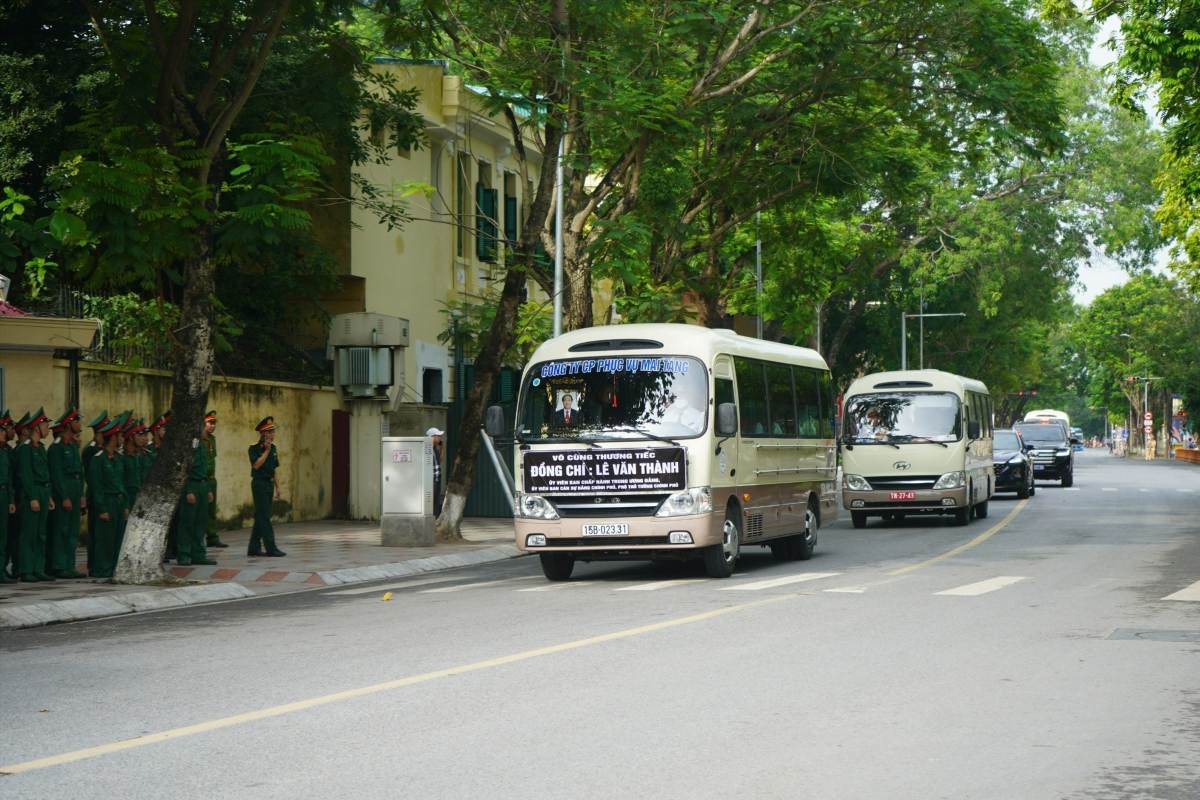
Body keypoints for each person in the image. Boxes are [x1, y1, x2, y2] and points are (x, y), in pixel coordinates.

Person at [16, 408, 56, 582]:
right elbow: (26, 475)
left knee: (41, 533)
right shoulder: (25, 449)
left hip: (43, 491)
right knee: (29, 533)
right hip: (32, 493)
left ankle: (38, 568)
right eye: (46, 425)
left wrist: (48, 497)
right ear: (37, 427)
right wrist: (32, 497)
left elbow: (45, 473)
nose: (48, 429)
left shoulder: (40, 448)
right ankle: (26, 569)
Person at [47, 408, 86, 579]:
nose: (79, 425)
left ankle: (69, 565)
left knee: (72, 530)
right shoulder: (56, 448)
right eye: (77, 421)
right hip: (65, 488)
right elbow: (56, 475)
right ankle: (59, 565)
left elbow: (80, 470)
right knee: (62, 529)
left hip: (76, 487)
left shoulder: (72, 446)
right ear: (69, 424)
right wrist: (64, 496)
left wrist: (82, 495)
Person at [87, 418, 126, 578]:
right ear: (114, 437)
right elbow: (96, 486)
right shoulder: (98, 458)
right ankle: (101, 569)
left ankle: (113, 568)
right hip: (106, 502)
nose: (122, 439)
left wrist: (125, 505)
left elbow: (121, 483)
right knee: (105, 539)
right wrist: (101, 508)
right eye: (120, 436)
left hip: (118, 501)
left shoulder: (117, 458)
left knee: (117, 538)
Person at [177, 413, 216, 567]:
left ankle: (198, 554)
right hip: (192, 484)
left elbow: (204, 468)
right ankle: (184, 554)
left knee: (201, 522)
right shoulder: (189, 444)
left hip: (202, 484)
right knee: (187, 522)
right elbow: (184, 469)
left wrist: (208, 489)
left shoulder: (202, 444)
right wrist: (188, 490)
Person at [248, 417, 285, 557]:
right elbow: (256, 465)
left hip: (269, 483)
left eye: (273, 431)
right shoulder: (253, 448)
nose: (272, 434)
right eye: (269, 432)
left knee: (261, 515)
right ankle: (271, 548)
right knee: (265, 516)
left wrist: (278, 487)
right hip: (259, 484)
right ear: (263, 434)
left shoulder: (274, 448)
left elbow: (274, 469)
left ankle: (253, 547)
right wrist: (266, 451)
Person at [203, 410, 228, 549]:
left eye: (214, 423)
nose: (212, 426)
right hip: (202, 479)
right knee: (202, 511)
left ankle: (212, 536)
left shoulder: (212, 439)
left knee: (212, 510)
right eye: (210, 423)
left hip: (212, 479)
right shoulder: (199, 440)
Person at [0, 411, 16, 583]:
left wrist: (11, 499)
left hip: (4, 494)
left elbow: (9, 477)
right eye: (3, 430)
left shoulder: (5, 452)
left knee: (3, 535)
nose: (5, 434)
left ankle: (1, 569)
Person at [426, 426, 444, 515]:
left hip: (437, 479)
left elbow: (440, 460)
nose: (440, 438)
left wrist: (441, 446)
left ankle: (435, 517)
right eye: (438, 436)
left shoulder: (435, 449)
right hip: (431, 479)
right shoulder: (426, 449)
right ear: (432, 437)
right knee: (431, 500)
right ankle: (432, 517)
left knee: (437, 500)